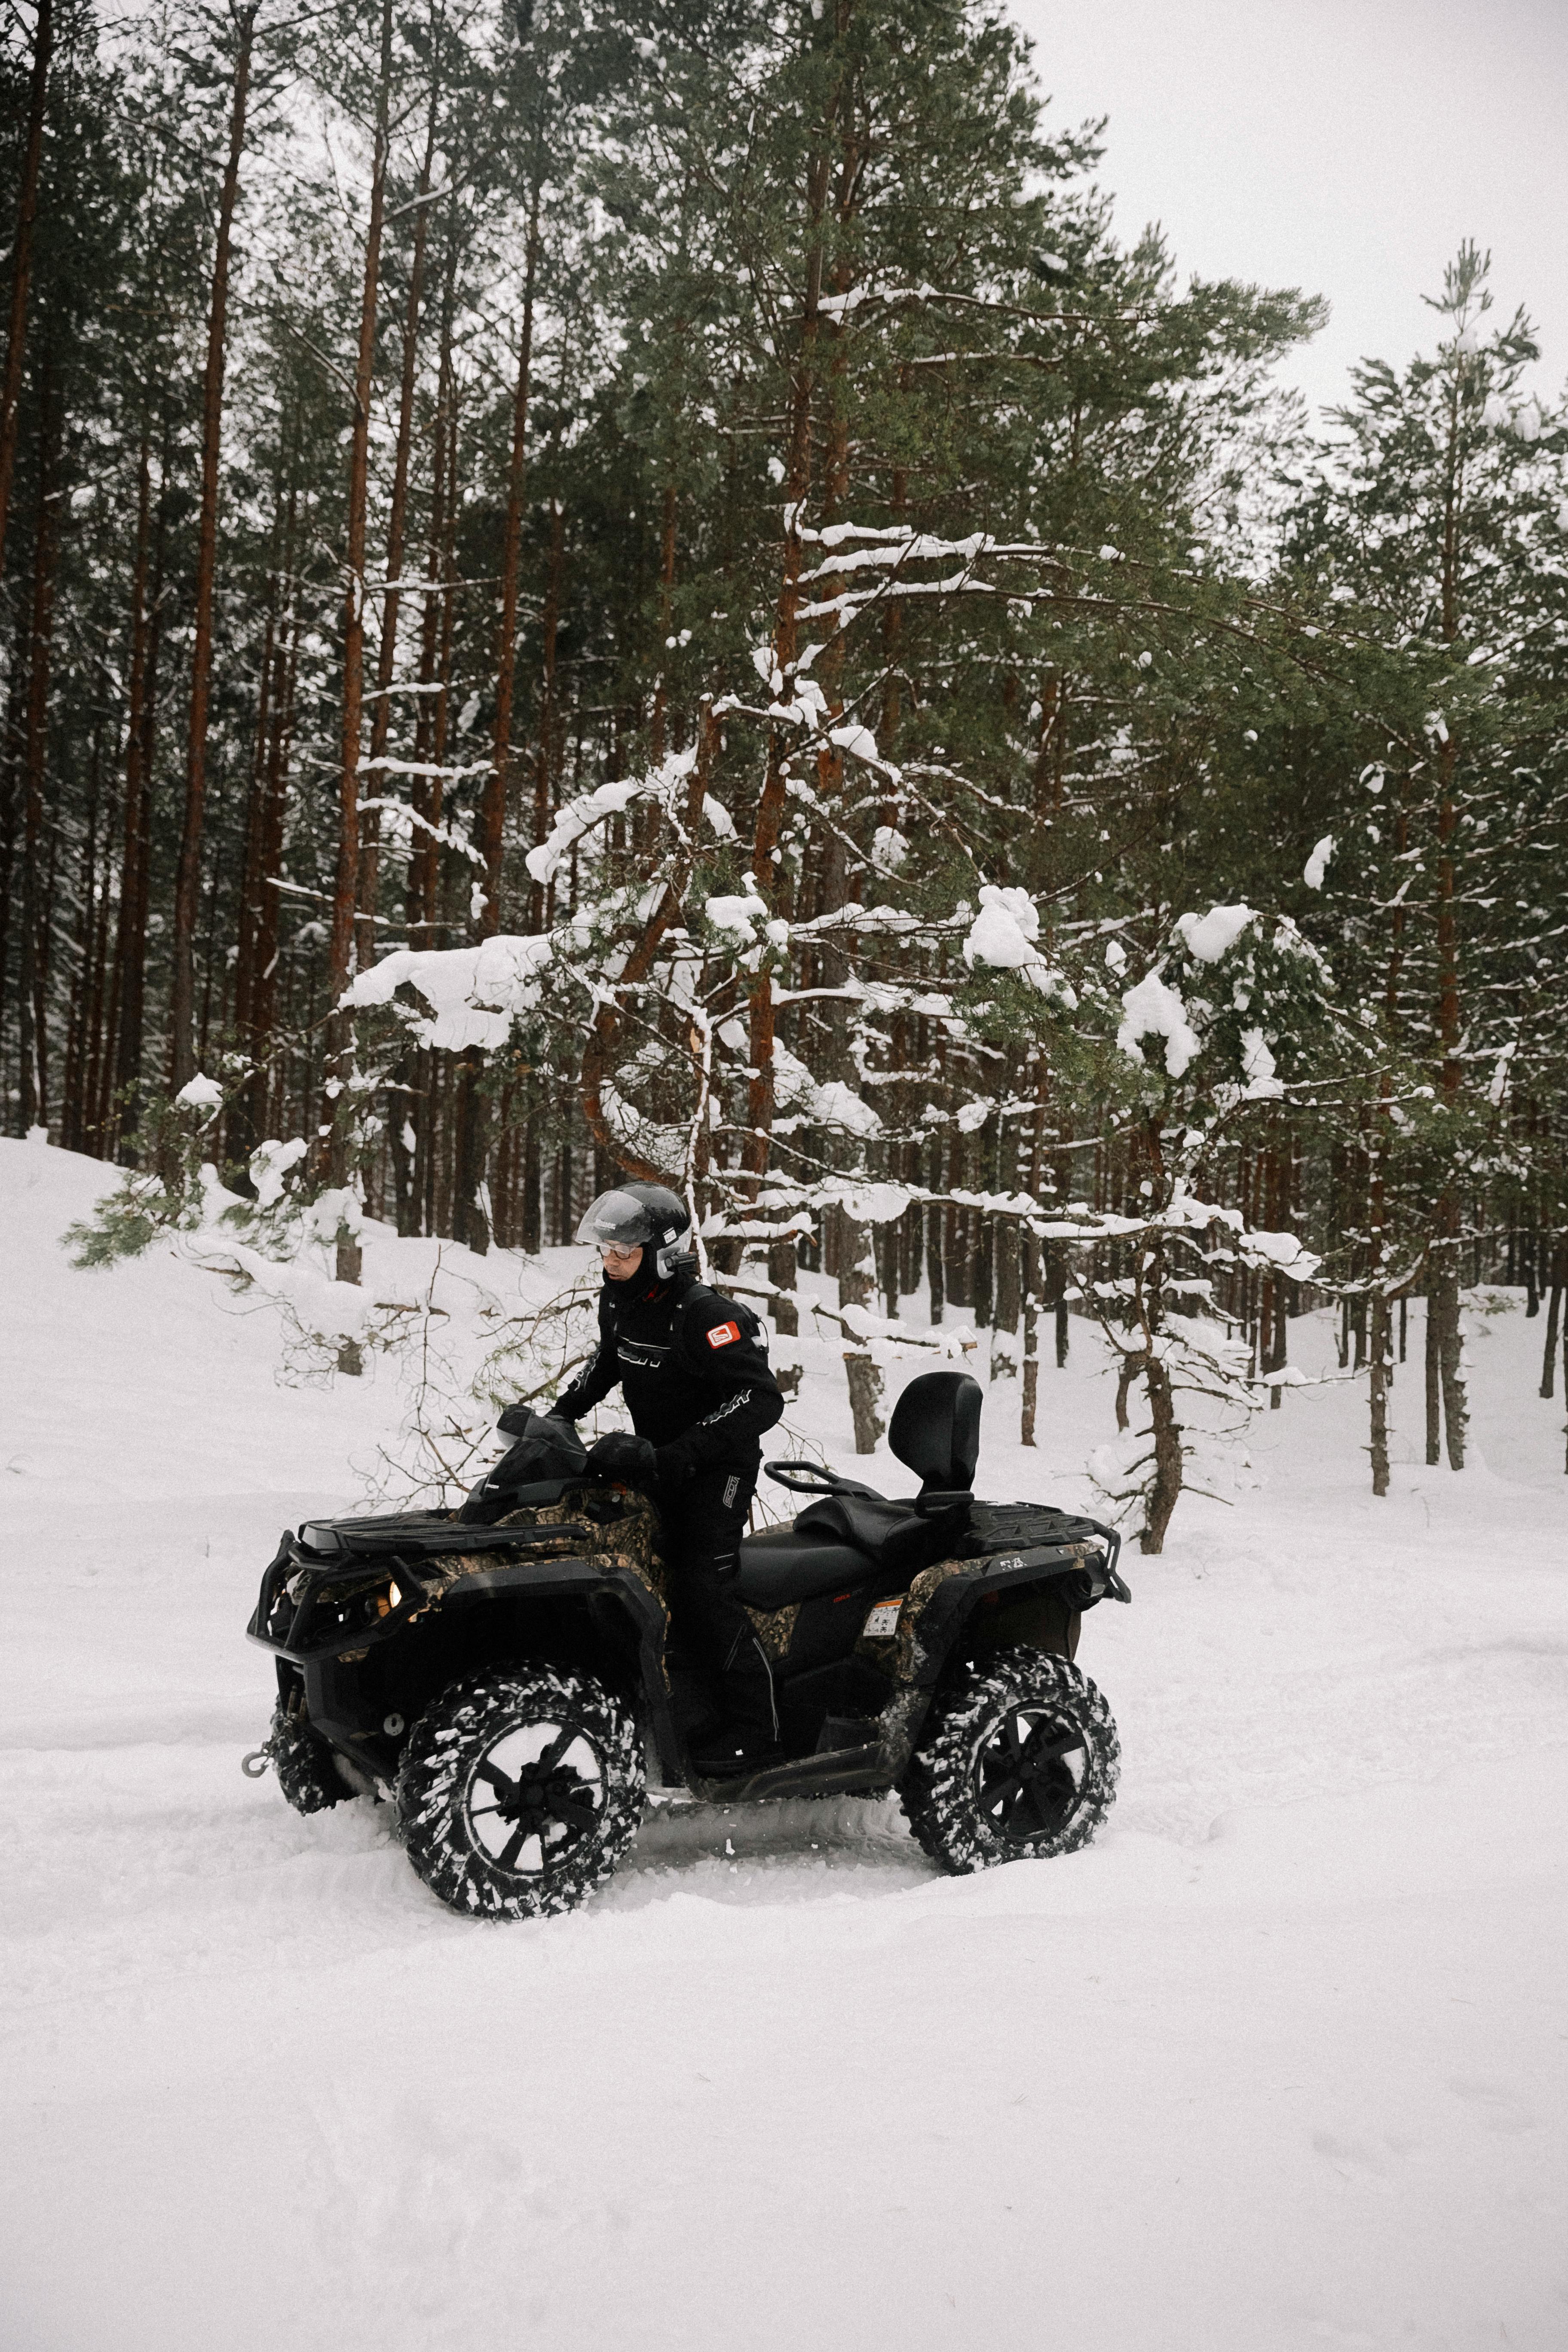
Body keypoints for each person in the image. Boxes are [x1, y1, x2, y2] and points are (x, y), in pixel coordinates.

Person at [547, 1179, 786, 1778]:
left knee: (704, 1587)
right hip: (659, 1461)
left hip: (718, 1469)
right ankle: (672, 1703)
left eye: (623, 1253)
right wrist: (557, 1417)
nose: (610, 1263)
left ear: (662, 1251)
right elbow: (608, 1363)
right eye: (605, 1252)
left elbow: (760, 1399)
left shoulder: (708, 1316)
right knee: (630, 1572)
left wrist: (685, 1452)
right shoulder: (620, 1300)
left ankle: (759, 1731)